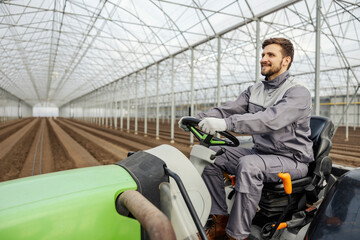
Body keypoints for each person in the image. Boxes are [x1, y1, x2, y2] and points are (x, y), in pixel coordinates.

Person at [178, 38, 313, 240]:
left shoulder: (297, 92)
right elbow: (228, 109)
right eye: (263, 55)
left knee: (249, 165)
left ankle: (237, 235)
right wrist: (198, 119)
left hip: (291, 158)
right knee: (211, 155)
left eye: (270, 55)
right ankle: (219, 220)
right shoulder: (255, 89)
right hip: (261, 152)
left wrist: (227, 124)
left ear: (286, 61)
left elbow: (270, 119)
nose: (264, 59)